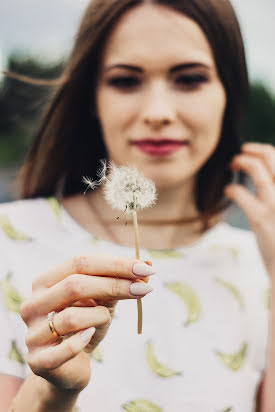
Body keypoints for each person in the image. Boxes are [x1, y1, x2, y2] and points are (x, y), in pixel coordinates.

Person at [0, 0, 274, 410]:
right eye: (126, 81)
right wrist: (52, 389)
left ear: (228, 93)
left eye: (190, 79)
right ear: (92, 96)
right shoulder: (9, 241)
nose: (158, 112)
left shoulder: (260, 266)